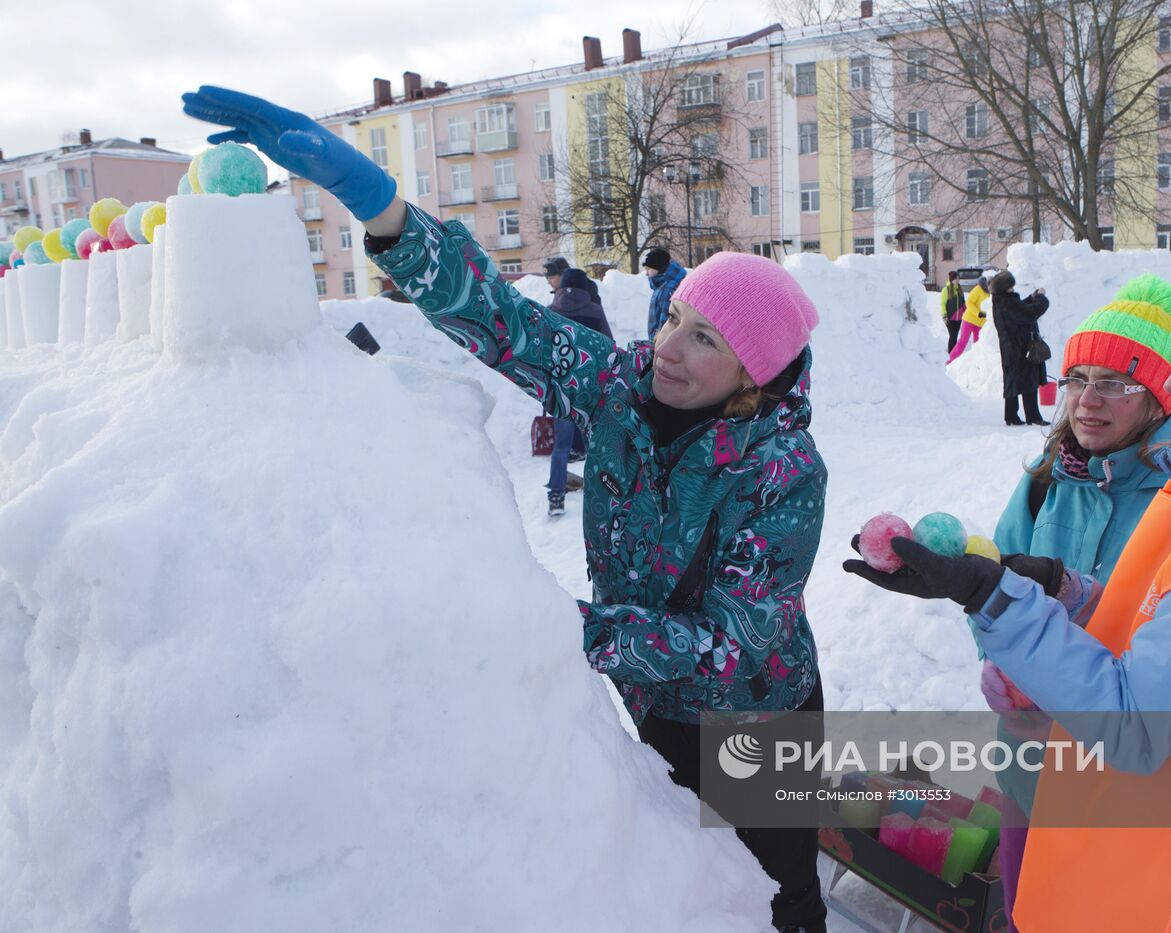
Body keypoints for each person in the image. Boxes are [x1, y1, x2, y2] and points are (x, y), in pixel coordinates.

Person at [182, 85, 831, 932]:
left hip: (760, 715)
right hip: (655, 706)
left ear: (754, 370)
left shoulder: (783, 469)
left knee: (776, 894)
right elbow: (499, 321)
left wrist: (561, 628)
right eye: (673, 318)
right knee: (690, 887)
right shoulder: (620, 390)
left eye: (704, 338)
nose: (666, 348)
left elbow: (724, 646)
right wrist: (380, 208)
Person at [846, 256, 1171, 932]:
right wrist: (1058, 589)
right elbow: (1157, 630)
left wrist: (1000, 600)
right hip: (1150, 845)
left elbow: (1136, 721)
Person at [982, 274, 1171, 929]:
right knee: (1025, 911)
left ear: (1157, 399)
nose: (1087, 402)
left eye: (1114, 384)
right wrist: (1004, 670)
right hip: (1028, 768)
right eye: (1075, 380)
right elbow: (994, 590)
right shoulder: (1046, 482)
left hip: (1121, 785)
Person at [545, 269, 613, 515]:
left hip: (561, 388)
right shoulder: (595, 312)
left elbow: (542, 351)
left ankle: (555, 498)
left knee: (561, 447)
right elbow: (609, 348)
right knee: (593, 446)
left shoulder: (550, 313)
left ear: (561, 287)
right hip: (589, 389)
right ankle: (599, 496)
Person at [990, 270, 1050, 426]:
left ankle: (1011, 416)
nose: (1013, 288)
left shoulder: (1000, 302)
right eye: (1011, 286)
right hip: (1020, 347)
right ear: (1007, 288)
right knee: (1028, 380)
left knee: (1012, 380)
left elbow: (1021, 307)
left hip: (1009, 347)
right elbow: (1031, 313)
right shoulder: (1009, 303)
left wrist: (1031, 297)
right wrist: (1041, 298)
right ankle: (1033, 417)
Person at [644, 247, 687, 341]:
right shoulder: (661, 285)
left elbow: (665, 326)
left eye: (648, 269)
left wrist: (657, 344)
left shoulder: (667, 289)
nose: (646, 273)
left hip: (661, 344)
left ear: (659, 268)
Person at [948, 272, 988, 364]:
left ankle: (976, 363)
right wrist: (978, 313)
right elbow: (969, 302)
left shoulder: (992, 292)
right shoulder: (978, 289)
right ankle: (950, 361)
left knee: (978, 344)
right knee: (963, 342)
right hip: (969, 319)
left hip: (981, 323)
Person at [939, 270, 965, 355]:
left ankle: (954, 353)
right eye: (956, 278)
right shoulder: (946, 290)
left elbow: (963, 303)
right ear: (952, 279)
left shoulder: (959, 289)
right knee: (952, 336)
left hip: (959, 318)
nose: (958, 280)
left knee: (955, 336)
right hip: (950, 318)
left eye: (958, 278)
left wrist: (966, 312)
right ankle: (951, 354)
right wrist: (945, 316)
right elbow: (943, 304)